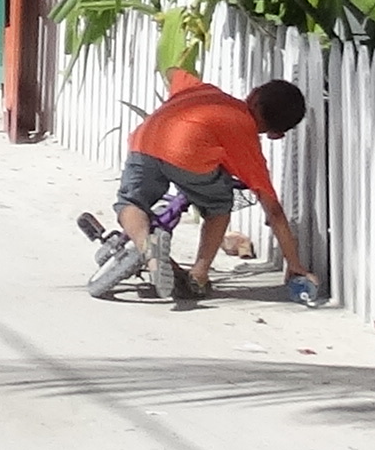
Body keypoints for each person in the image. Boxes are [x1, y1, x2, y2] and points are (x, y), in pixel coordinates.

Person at [83, 73, 311, 303]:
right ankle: (198, 274)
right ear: (276, 134)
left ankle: (148, 250)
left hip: (147, 139)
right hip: (187, 154)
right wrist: (294, 264)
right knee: (219, 205)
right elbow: (274, 211)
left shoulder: (208, 92)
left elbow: (177, 74)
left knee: (131, 202)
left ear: (253, 94)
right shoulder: (245, 134)